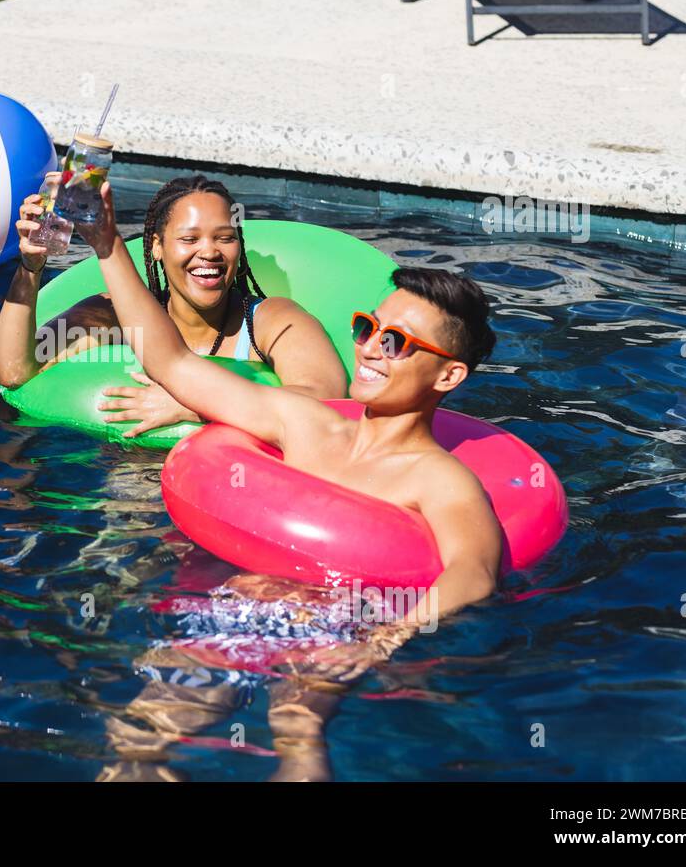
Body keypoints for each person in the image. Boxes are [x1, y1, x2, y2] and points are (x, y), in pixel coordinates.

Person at [77, 180, 503, 780]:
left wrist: (375, 643)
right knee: (135, 737)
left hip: (340, 627)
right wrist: (103, 242)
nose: (371, 351)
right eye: (365, 328)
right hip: (239, 608)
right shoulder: (303, 423)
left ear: (448, 375)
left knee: (298, 738)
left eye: (397, 342)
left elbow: (473, 571)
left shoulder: (440, 478)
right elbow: (171, 363)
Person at [0, 174, 346, 439]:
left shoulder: (270, 322)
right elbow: (16, 371)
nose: (209, 252)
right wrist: (30, 266)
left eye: (225, 238)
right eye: (189, 239)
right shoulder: (114, 316)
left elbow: (325, 403)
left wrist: (197, 406)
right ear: (158, 247)